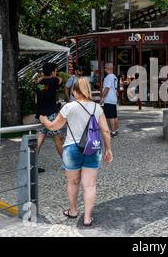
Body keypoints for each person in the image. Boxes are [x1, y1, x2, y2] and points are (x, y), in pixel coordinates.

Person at [39, 77, 113, 227]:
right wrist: (108, 149)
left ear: (76, 91)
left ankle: (73, 211)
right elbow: (105, 130)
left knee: (73, 182)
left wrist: (44, 120)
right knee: (90, 185)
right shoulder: (97, 108)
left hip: (72, 148)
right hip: (92, 148)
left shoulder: (69, 107)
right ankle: (87, 218)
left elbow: (53, 127)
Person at [35, 63, 64, 173]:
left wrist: (42, 78)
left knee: (39, 140)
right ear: (53, 72)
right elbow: (60, 79)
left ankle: (32, 164)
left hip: (40, 114)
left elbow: (41, 93)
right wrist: (53, 75)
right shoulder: (54, 81)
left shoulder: (39, 84)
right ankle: (66, 163)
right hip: (51, 114)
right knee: (58, 140)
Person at [100, 63, 119, 138]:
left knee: (110, 117)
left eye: (105, 67)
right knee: (114, 116)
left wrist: (102, 98)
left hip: (108, 99)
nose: (104, 69)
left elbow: (107, 88)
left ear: (108, 68)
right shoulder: (114, 77)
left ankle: (113, 132)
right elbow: (115, 89)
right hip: (113, 98)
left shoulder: (108, 77)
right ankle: (116, 130)